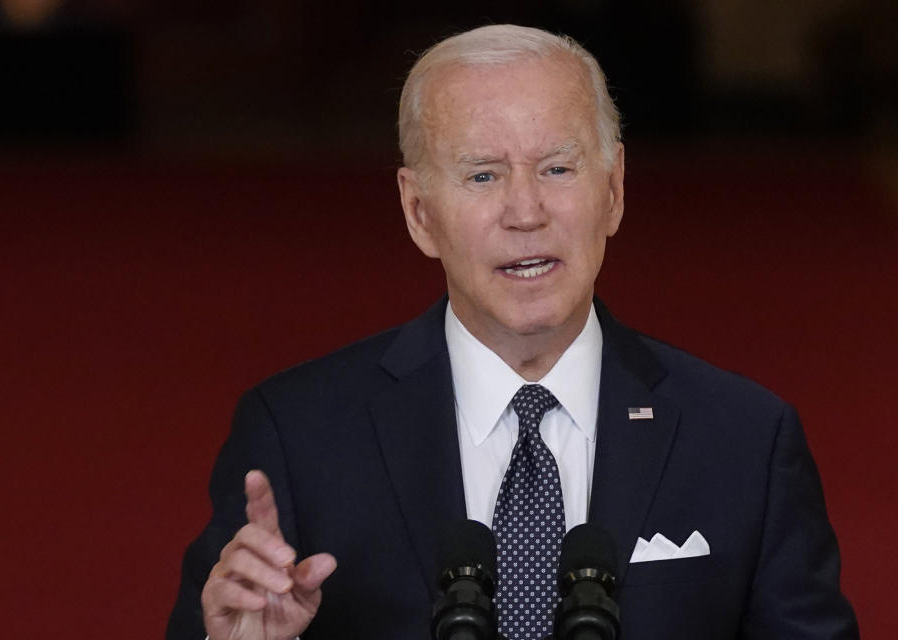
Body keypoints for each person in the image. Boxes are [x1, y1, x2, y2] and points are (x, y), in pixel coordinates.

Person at [167, 24, 858, 640]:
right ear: (418, 212)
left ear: (613, 189)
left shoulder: (744, 439)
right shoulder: (298, 435)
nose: (525, 210)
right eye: (482, 175)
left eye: (558, 168)